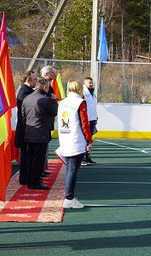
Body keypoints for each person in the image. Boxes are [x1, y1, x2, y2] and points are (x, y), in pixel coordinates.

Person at [56, 80, 94, 209]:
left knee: (69, 169)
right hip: (76, 140)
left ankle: (69, 196)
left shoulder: (62, 103)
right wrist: (89, 140)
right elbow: (84, 123)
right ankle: (69, 198)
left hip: (65, 138)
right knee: (72, 170)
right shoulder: (80, 103)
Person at [21, 77, 58, 189]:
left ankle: (29, 180)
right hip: (40, 133)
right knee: (38, 159)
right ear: (45, 86)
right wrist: (54, 100)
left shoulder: (27, 98)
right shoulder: (44, 99)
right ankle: (35, 182)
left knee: (30, 158)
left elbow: (23, 116)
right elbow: (55, 111)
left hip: (29, 132)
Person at [14, 70, 37, 185]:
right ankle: (25, 178)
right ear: (28, 79)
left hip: (28, 129)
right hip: (25, 129)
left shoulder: (28, 91)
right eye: (34, 79)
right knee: (26, 156)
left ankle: (28, 176)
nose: (36, 82)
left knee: (29, 155)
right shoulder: (24, 93)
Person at [81, 77, 98, 165]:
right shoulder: (83, 93)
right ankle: (83, 157)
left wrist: (96, 118)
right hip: (86, 119)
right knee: (85, 139)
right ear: (85, 84)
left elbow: (92, 107)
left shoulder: (92, 94)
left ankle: (87, 156)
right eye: (89, 83)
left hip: (92, 119)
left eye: (92, 83)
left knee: (90, 140)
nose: (91, 84)